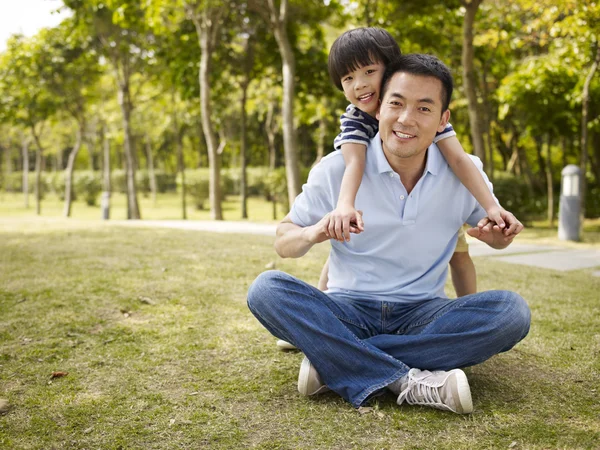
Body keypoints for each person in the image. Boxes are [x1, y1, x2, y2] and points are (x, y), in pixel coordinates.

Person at [247, 54, 530, 414]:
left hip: (423, 314)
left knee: (511, 312)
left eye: (424, 108)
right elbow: (283, 242)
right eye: (396, 103)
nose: (406, 119)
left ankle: (336, 359)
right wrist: (315, 231)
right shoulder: (336, 169)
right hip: (346, 309)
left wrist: (499, 238)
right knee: (266, 289)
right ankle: (404, 379)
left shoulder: (465, 172)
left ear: (444, 119)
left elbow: (494, 230)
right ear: (379, 108)